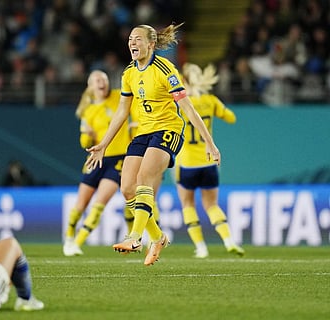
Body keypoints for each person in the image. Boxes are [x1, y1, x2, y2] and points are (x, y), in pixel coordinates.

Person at [85, 23, 221, 266]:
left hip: (168, 129)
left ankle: (135, 237)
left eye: (137, 39)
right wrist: (104, 144)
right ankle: (157, 237)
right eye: (130, 39)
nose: (132, 43)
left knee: (144, 179)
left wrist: (209, 142)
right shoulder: (129, 73)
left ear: (151, 44)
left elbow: (186, 107)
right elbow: (121, 112)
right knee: (127, 188)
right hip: (143, 133)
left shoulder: (165, 69)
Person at [176, 63, 245, 258]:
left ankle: (201, 248)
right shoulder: (210, 100)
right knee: (212, 205)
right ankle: (229, 241)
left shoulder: (181, 103)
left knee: (188, 205)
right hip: (208, 162)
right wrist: (217, 109)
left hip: (187, 162)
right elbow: (231, 118)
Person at [63, 70, 132, 257]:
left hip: (118, 158)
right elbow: (84, 143)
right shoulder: (88, 111)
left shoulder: (120, 97)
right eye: (97, 80)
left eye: (104, 78)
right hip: (95, 159)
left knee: (100, 203)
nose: (102, 82)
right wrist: (88, 137)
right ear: (91, 87)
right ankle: (69, 236)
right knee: (80, 204)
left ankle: (77, 243)